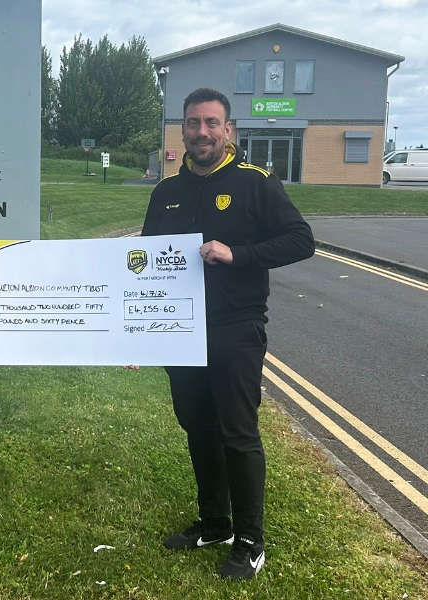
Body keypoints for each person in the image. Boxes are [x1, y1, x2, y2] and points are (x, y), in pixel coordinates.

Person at [141, 88, 314, 580]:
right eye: (193, 123)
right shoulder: (166, 192)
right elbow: (144, 265)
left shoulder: (255, 182)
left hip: (236, 326)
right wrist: (137, 333)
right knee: (198, 426)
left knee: (238, 433)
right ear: (183, 130)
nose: (202, 132)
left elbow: (301, 240)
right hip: (179, 329)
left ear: (227, 130)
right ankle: (215, 522)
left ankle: (250, 540)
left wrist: (238, 254)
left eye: (211, 123)